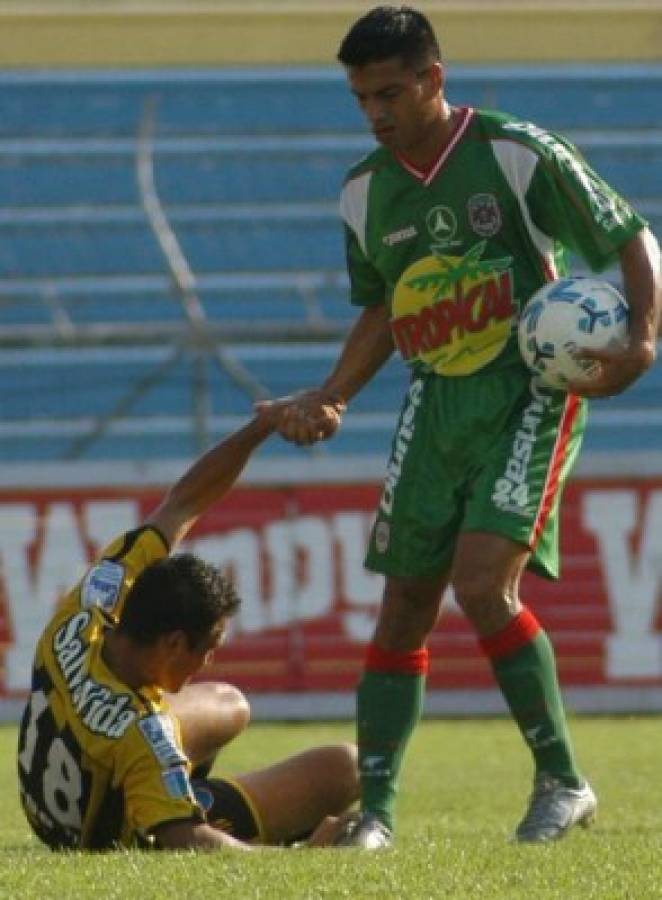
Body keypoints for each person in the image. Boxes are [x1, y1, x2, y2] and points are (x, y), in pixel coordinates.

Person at [260, 6, 662, 847]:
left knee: (482, 584)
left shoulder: (513, 152)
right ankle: (374, 814)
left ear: (433, 79)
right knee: (403, 604)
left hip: (529, 394)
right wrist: (335, 393)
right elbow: (381, 307)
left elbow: (632, 235)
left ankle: (562, 780)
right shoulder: (365, 191)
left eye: (390, 92)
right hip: (434, 399)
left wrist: (644, 339)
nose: (376, 112)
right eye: (362, 97)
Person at [16, 412, 359, 851]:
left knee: (229, 704)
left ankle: (171, 785)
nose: (208, 661)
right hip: (112, 831)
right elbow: (183, 839)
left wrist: (262, 427)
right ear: (174, 642)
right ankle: (174, 791)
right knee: (346, 770)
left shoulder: (85, 610)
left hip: (42, 805)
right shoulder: (144, 731)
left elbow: (182, 503)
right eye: (208, 648)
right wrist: (307, 857)